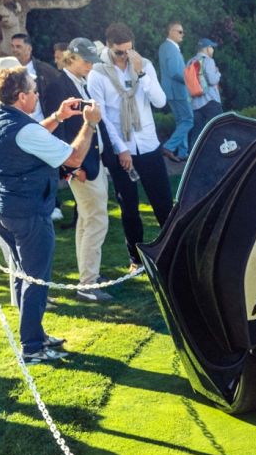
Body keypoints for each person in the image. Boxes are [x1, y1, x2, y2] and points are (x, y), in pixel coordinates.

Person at [0, 67, 101, 362]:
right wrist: (89, 124)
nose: (37, 95)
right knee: (36, 278)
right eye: (33, 91)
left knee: (21, 273)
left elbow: (29, 138)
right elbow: (73, 158)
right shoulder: (25, 129)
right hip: (26, 211)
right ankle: (33, 347)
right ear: (21, 96)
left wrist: (58, 117)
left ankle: (33, 334)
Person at [87, 21, 172, 271]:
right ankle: (135, 259)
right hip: (121, 148)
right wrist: (121, 149)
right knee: (130, 208)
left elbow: (160, 101)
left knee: (163, 203)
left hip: (148, 145)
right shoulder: (97, 74)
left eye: (128, 50)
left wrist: (141, 74)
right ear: (108, 47)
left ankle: (172, 251)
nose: (124, 56)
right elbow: (102, 117)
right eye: (119, 52)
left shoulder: (143, 65)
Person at [44, 38, 111, 302]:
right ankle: (88, 284)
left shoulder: (80, 82)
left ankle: (89, 276)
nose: (90, 65)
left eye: (93, 60)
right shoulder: (57, 86)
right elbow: (57, 132)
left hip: (93, 162)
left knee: (87, 220)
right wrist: (71, 170)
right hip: (81, 166)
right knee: (96, 221)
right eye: (86, 60)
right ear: (70, 58)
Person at [158, 21, 192, 161]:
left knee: (181, 121)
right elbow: (174, 72)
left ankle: (183, 153)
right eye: (179, 31)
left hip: (171, 91)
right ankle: (169, 147)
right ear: (170, 32)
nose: (182, 34)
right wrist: (190, 80)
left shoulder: (164, 47)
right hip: (177, 91)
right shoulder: (171, 48)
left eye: (183, 32)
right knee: (189, 120)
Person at [10, 33, 60, 123]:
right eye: (12, 47)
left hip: (43, 123)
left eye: (18, 47)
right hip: (17, 123)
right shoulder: (8, 72)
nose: (14, 50)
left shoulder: (45, 70)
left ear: (29, 48)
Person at [187, 38, 222, 150]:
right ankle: (222, 152)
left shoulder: (190, 62)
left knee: (197, 132)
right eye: (211, 47)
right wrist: (218, 73)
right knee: (220, 127)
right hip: (210, 101)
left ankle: (193, 155)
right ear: (206, 48)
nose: (213, 50)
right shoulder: (208, 61)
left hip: (195, 104)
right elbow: (212, 80)